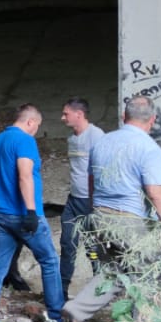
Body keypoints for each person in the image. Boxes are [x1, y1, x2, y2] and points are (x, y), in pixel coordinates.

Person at [60, 96, 161, 322]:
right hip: (130, 222)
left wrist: (96, 212)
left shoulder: (103, 143)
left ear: (124, 117)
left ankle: (76, 312)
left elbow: (91, 183)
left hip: (100, 216)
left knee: (116, 271)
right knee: (151, 275)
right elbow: (157, 193)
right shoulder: (149, 148)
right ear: (153, 120)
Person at [0, 104, 64, 322]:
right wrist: (30, 212)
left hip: (0, 213)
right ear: (30, 122)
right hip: (22, 215)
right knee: (49, 261)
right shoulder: (25, 141)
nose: (36, 130)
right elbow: (25, 176)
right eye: (36, 126)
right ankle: (56, 318)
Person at [59, 97, 103, 297]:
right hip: (73, 200)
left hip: (90, 203)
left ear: (79, 114)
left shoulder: (96, 137)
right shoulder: (71, 139)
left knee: (93, 248)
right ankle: (62, 290)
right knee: (68, 244)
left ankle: (99, 290)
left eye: (66, 114)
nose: (62, 118)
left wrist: (97, 203)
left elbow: (102, 171)